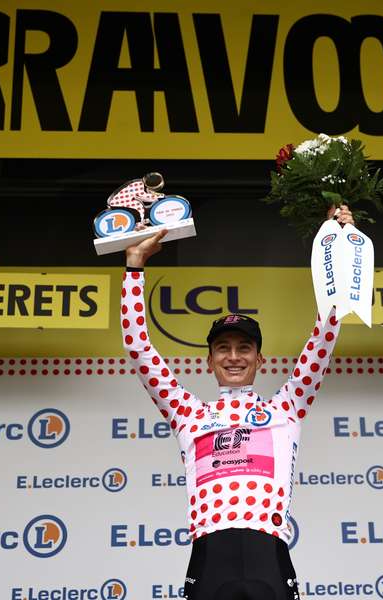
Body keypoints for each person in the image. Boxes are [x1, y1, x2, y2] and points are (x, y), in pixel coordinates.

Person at [121, 206, 353, 600]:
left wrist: (335, 244)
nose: (233, 356)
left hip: (270, 556)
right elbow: (138, 347)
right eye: (223, 349)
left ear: (260, 359)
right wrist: (134, 265)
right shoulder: (188, 413)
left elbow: (325, 332)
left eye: (244, 348)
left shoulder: (286, 406)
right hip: (210, 559)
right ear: (208, 361)